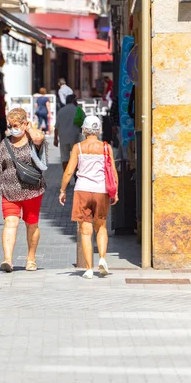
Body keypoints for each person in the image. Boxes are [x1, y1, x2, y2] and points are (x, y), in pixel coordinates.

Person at [59, 115, 118, 279]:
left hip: (82, 190)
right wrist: (115, 192)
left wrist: (63, 190)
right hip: (101, 190)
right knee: (101, 227)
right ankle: (103, 259)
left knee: (85, 231)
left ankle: (88, 268)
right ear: (99, 130)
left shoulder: (78, 147)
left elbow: (69, 171)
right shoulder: (106, 147)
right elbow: (113, 172)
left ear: (84, 130)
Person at [0, 108, 47, 272]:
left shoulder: (32, 140)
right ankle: (7, 259)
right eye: (10, 125)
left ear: (24, 124)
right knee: (10, 222)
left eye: (16, 125)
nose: (12, 128)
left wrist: (28, 127)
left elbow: (39, 137)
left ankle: (31, 258)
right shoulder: (5, 143)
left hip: (32, 191)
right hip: (9, 191)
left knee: (31, 225)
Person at [54, 93, 85, 172]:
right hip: (75, 137)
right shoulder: (78, 110)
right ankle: (76, 174)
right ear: (74, 101)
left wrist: (55, 139)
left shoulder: (61, 111)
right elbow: (85, 122)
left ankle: (66, 176)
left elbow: (56, 126)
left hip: (63, 137)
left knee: (65, 158)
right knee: (77, 156)